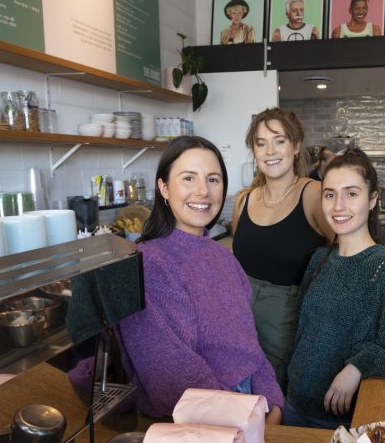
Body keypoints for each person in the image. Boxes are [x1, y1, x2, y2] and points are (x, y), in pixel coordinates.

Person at [113, 136, 284, 423]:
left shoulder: (223, 256)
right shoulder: (148, 265)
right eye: (188, 178)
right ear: (164, 188)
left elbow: (249, 347)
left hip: (252, 407)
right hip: (202, 424)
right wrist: (248, 420)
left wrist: (273, 403)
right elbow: (172, 376)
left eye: (213, 179)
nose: (203, 191)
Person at [284, 148, 385, 429]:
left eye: (351, 193)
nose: (338, 206)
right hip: (293, 404)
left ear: (372, 199)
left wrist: (357, 366)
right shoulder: (318, 259)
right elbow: (301, 332)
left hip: (337, 421)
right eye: (330, 194)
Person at [232, 108, 334, 389]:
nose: (269, 151)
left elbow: (354, 257)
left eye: (279, 140)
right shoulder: (243, 201)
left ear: (296, 145)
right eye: (261, 143)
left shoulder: (314, 194)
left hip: (287, 330)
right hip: (240, 323)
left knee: (276, 401)